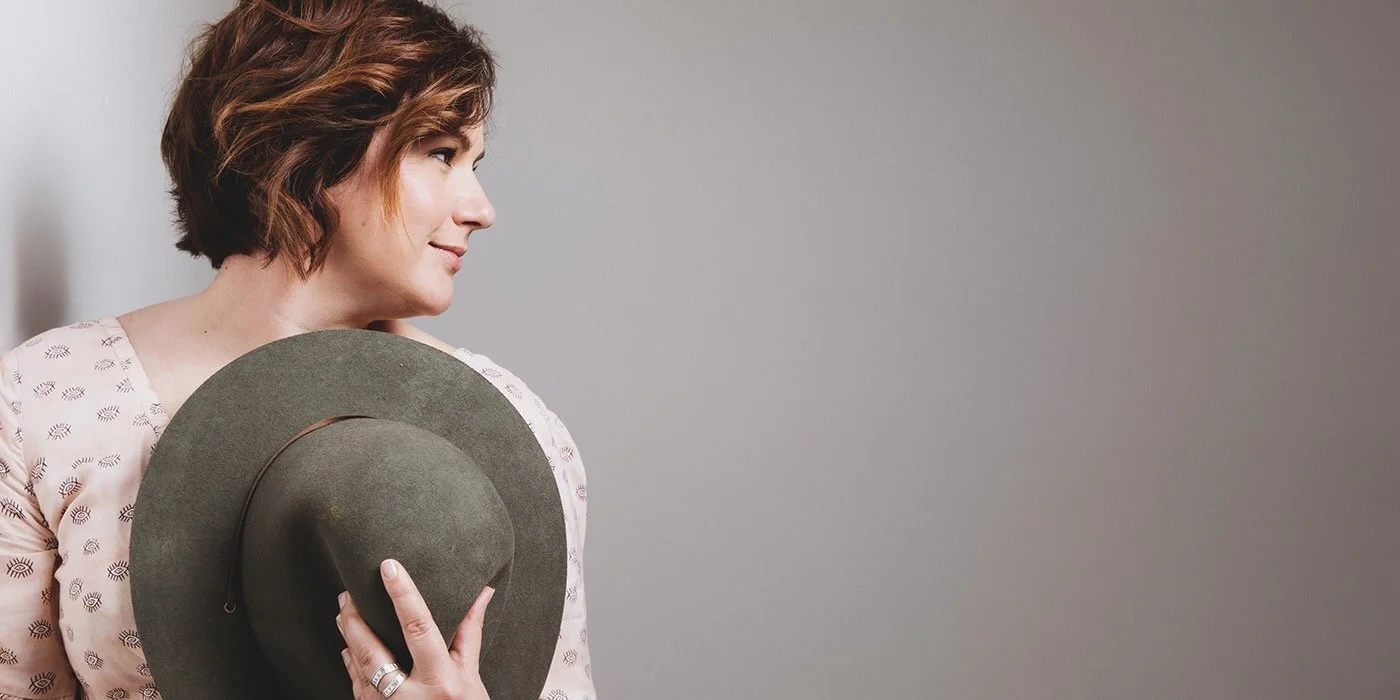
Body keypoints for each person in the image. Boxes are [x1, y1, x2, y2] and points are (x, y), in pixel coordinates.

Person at [0, 1, 594, 698]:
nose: (481, 207)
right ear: (306, 148)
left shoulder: (511, 436)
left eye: (473, 161)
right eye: (441, 153)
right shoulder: (48, 401)